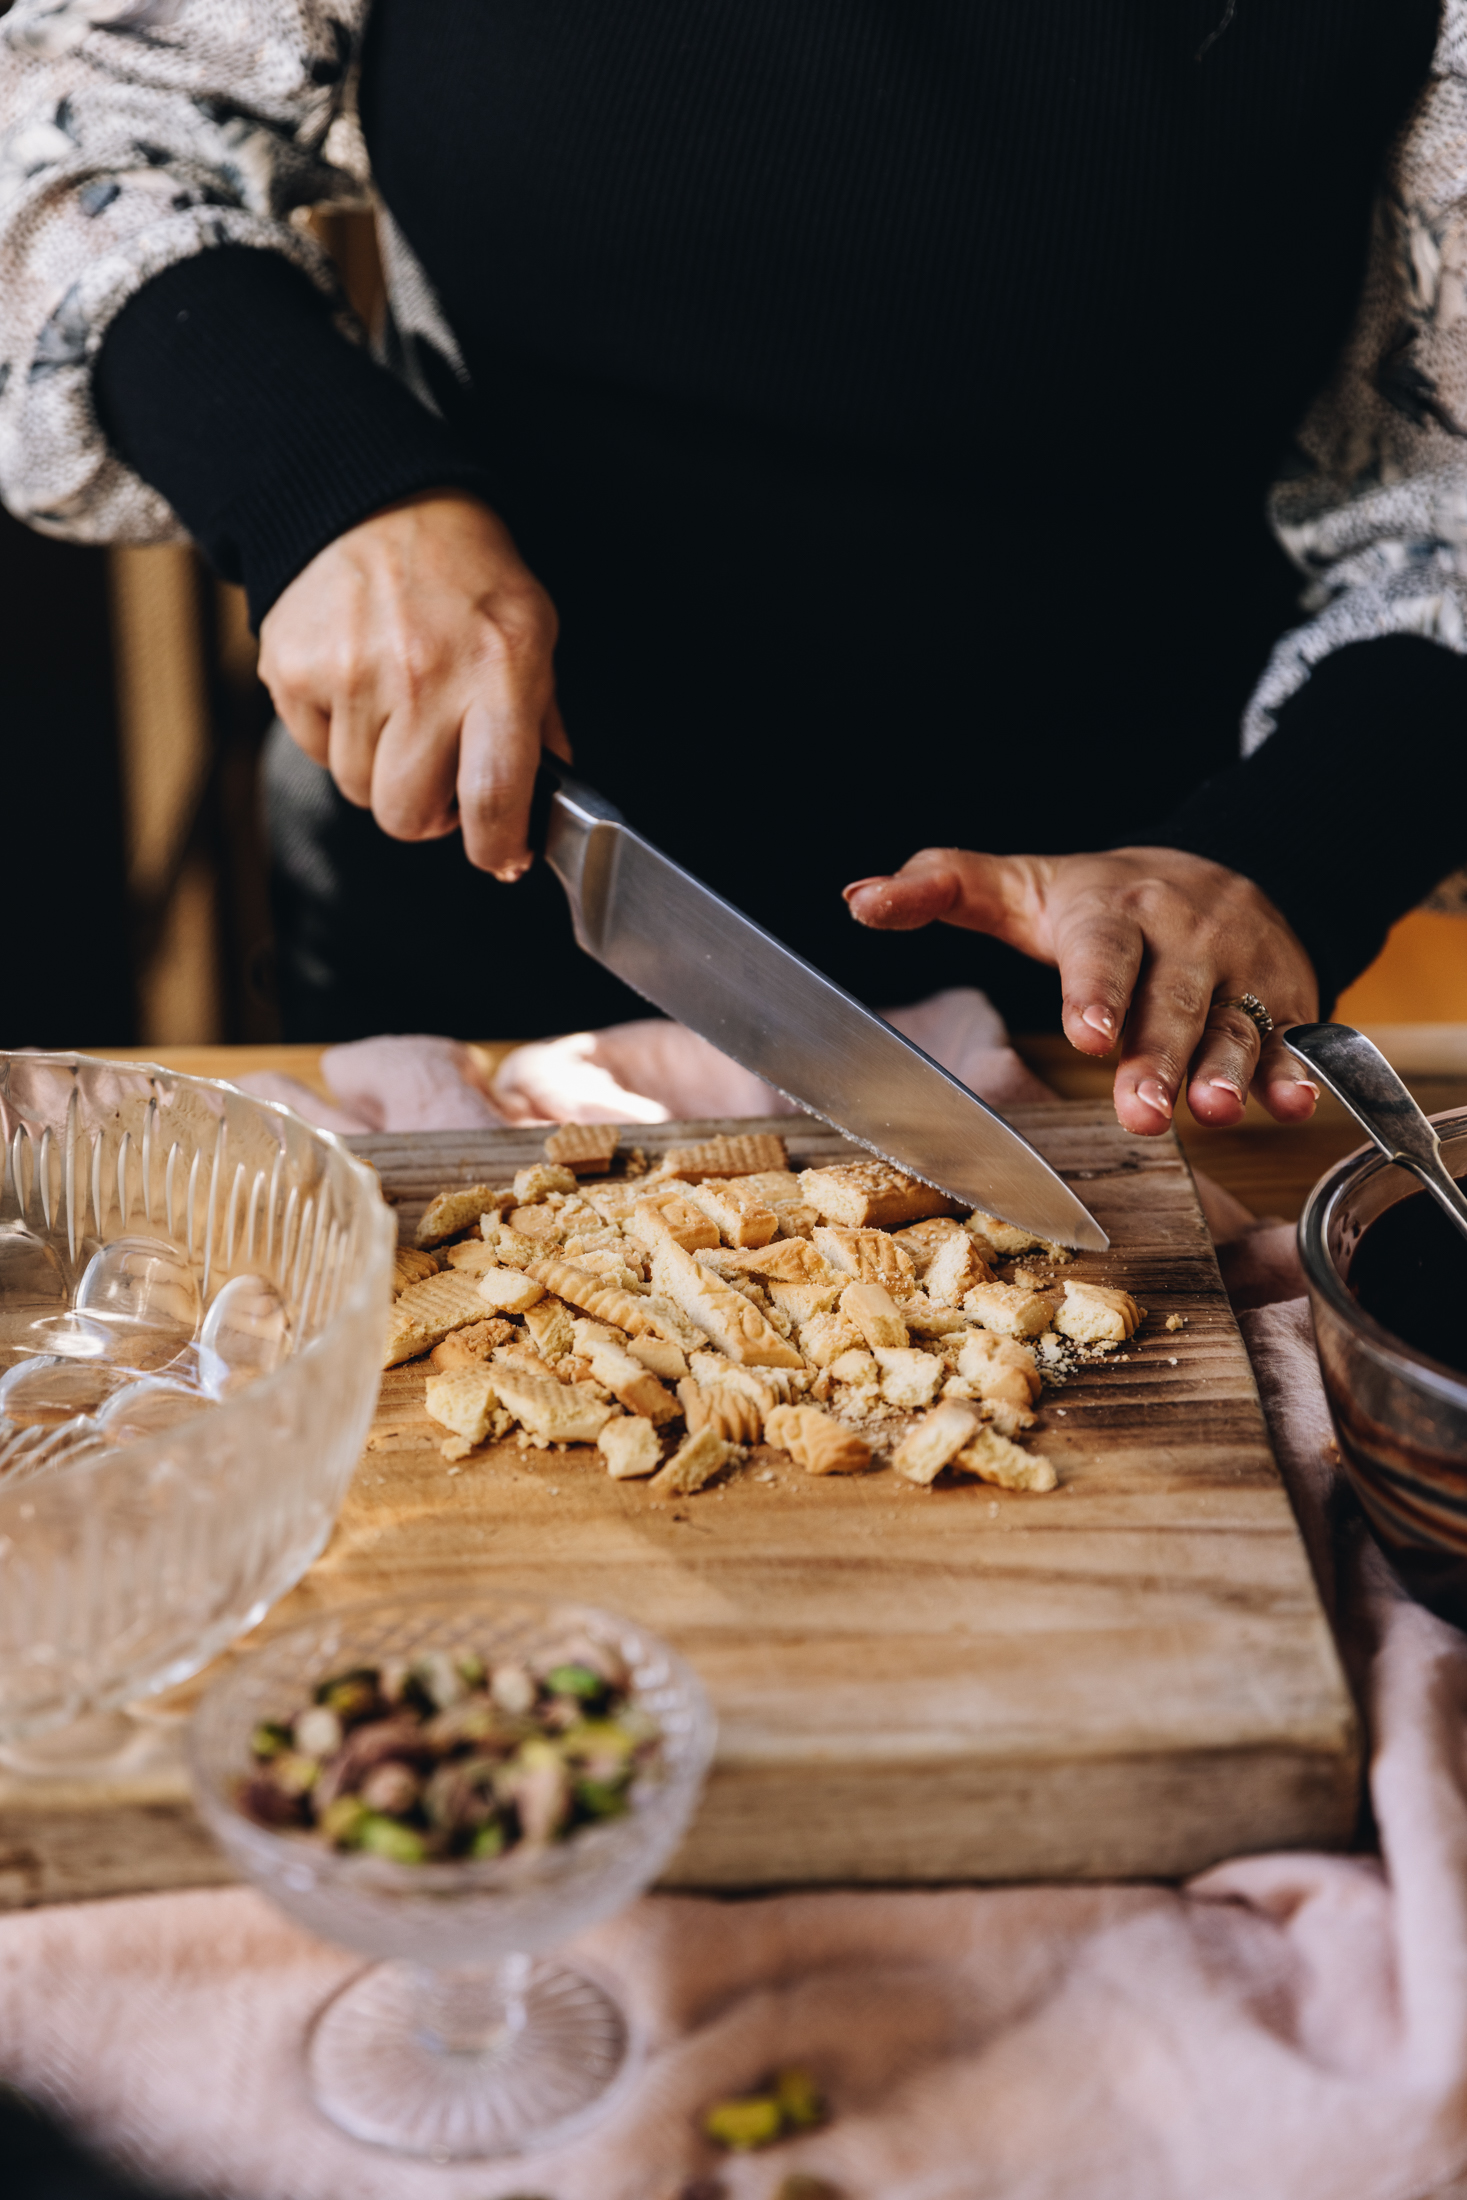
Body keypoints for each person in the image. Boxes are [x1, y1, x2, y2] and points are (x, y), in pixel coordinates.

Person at [2, 0, 1466, 1137]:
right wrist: (329, 491)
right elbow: (88, 123)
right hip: (483, 910)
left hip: (1119, 997)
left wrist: (1290, 855)